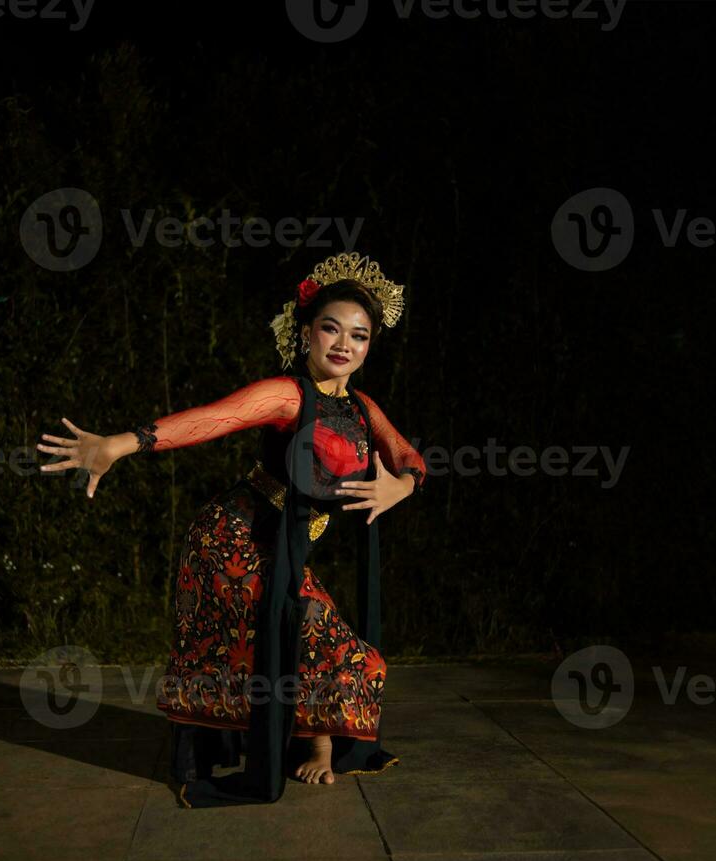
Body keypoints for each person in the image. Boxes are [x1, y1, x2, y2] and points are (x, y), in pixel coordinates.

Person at [36, 253, 427, 807]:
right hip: (230, 540)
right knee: (304, 628)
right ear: (306, 333)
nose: (343, 344)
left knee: (342, 651)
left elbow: (408, 455)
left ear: (368, 347)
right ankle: (309, 745)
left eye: (359, 336)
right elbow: (212, 418)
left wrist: (402, 485)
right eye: (331, 328)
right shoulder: (289, 394)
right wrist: (120, 445)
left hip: (285, 548)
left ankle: (311, 743)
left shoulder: (363, 408)